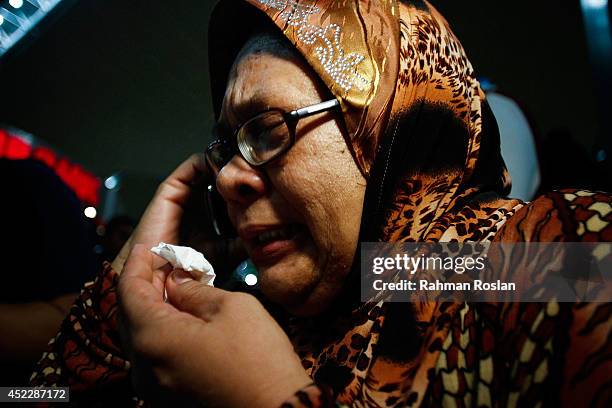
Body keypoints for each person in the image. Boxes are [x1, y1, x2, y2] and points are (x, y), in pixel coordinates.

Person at [30, 1, 611, 406]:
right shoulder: (249, 313)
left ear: (387, 125)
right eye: (224, 146)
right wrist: (117, 315)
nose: (230, 176)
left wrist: (269, 402)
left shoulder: (529, 259)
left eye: (266, 127)